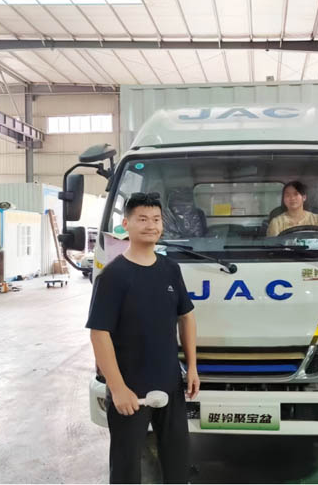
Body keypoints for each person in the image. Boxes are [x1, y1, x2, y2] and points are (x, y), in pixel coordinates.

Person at [86, 192, 200, 483]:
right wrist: (117, 388)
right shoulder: (113, 276)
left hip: (170, 383)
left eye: (156, 219)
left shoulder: (170, 269)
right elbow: (99, 334)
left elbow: (186, 317)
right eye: (142, 219)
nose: (151, 226)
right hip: (130, 387)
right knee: (126, 465)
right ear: (126, 224)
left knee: (177, 458)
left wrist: (192, 368)